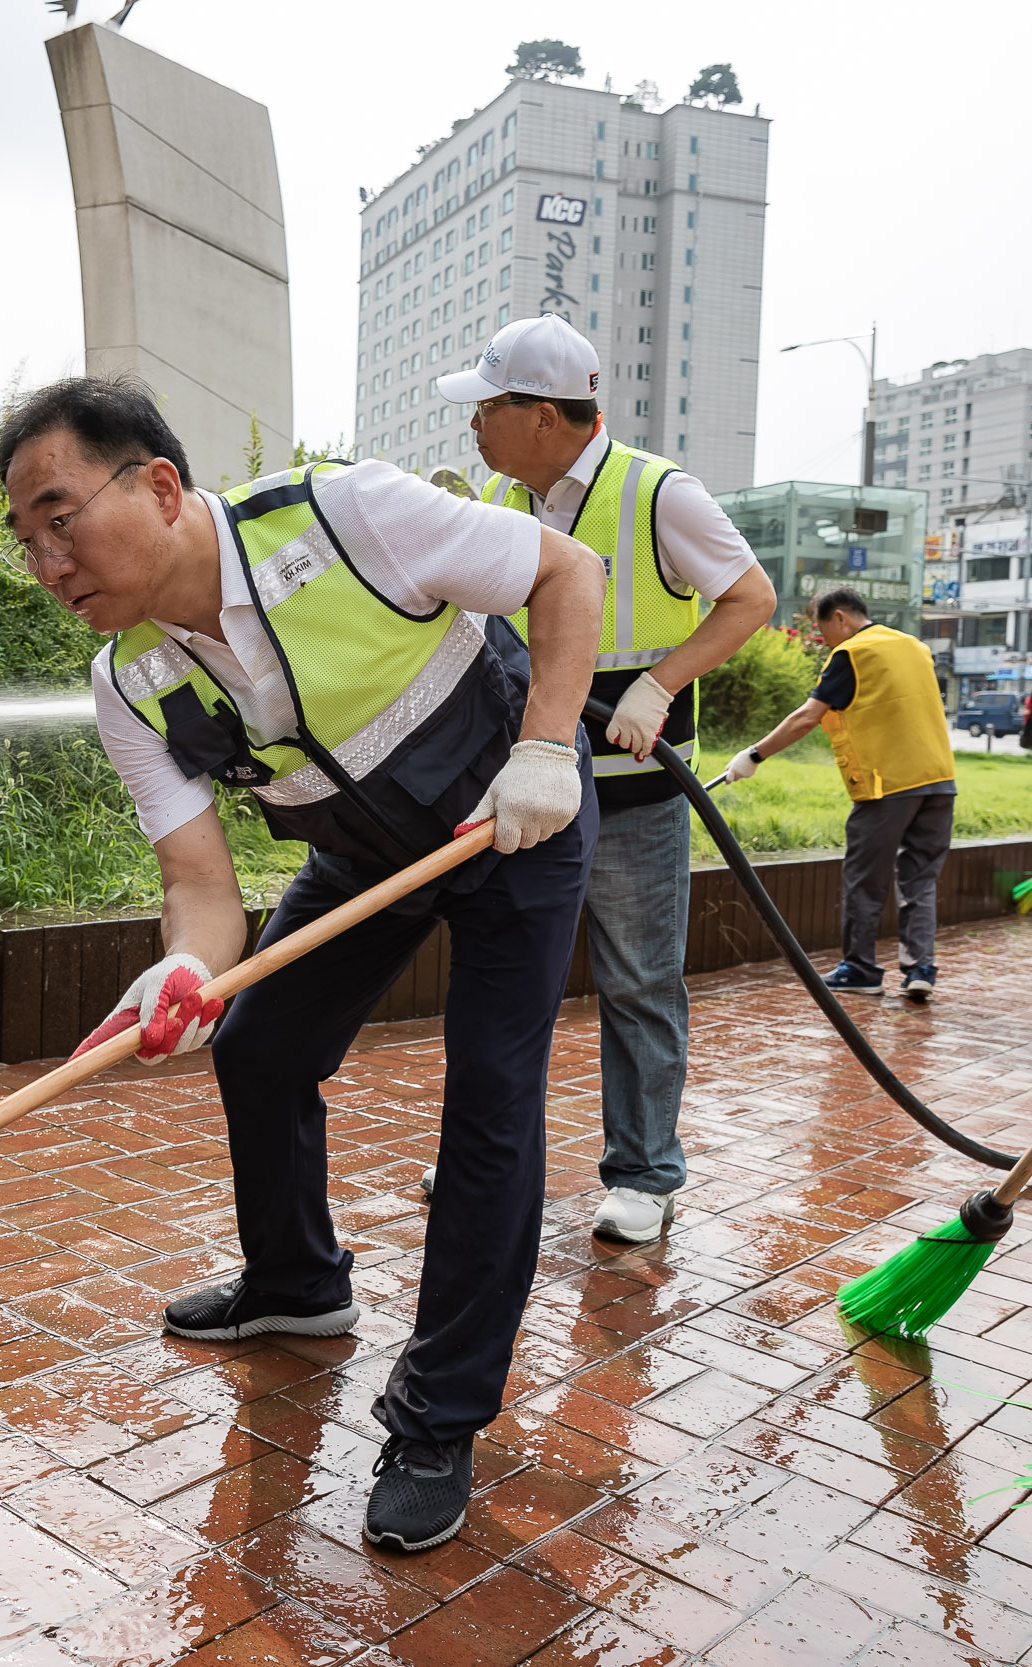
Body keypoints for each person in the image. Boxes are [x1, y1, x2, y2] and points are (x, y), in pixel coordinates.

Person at [0, 377, 607, 1556]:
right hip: (364, 848)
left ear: (160, 486)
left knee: (488, 1104)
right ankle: (296, 1282)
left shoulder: (344, 518)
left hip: (509, 817)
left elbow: (564, 572)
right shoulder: (128, 679)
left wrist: (543, 748)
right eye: (26, 539)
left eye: (61, 515)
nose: (48, 560)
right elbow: (203, 888)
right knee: (261, 1040)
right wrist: (182, 968)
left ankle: (437, 1417)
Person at [416, 315, 775, 1244]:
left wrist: (658, 685)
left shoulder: (661, 494)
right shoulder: (502, 493)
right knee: (506, 981)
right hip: (527, 791)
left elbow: (752, 598)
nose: (474, 426)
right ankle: (485, 1153)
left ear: (540, 414)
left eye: (487, 408)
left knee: (638, 981)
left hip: (632, 795)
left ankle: (646, 1172)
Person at [727, 588, 958, 999]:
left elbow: (806, 718)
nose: (825, 641)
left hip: (887, 784)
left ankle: (860, 969)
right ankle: (920, 968)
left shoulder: (854, 653)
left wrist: (754, 755)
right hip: (939, 781)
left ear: (839, 618)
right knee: (920, 880)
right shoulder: (915, 647)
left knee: (864, 880)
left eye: (822, 630)